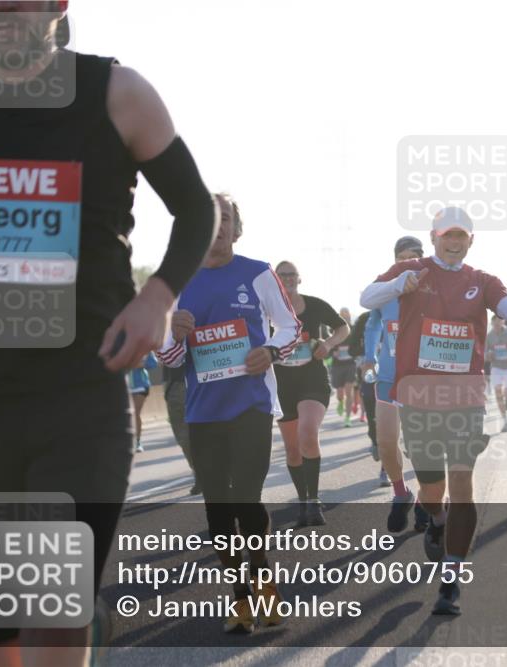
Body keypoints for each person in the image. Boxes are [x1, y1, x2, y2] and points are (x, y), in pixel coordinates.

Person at [0, 3, 215, 663]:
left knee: (54, 601)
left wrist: (158, 296)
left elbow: (194, 206)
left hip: (82, 391)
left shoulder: (116, 93)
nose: (0, 8)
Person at [360, 207, 507, 615]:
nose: (454, 243)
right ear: (434, 236)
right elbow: (366, 297)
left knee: (462, 485)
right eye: (446, 236)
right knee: (433, 491)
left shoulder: (482, 281)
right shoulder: (414, 269)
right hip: (418, 398)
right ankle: (435, 520)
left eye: (461, 237)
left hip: (466, 399)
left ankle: (451, 579)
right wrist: (400, 283)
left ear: (471, 240)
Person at [157, 193, 301, 634]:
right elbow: (168, 356)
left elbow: (291, 327)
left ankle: (262, 577)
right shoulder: (178, 282)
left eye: (226, 219)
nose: (218, 226)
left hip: (252, 407)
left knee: (247, 500)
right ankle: (239, 597)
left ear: (237, 230)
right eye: (209, 219)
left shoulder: (258, 274)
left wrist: (271, 350)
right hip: (203, 413)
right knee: (218, 512)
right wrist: (174, 334)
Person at [273, 261, 350, 526]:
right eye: (281, 275)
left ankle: (314, 501)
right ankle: (303, 499)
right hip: (282, 384)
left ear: (299, 278)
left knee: (308, 432)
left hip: (313, 380)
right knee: (293, 450)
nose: (287, 279)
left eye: (291, 274)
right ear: (275, 280)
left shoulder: (315, 305)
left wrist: (327, 344)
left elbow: (343, 328)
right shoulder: (266, 310)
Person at [363, 235, 431, 531]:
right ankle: (401, 493)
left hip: (422, 380)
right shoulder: (386, 291)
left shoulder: (432, 290)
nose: (407, 263)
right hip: (389, 377)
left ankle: (425, 502)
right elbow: (372, 324)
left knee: (422, 448)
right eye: (401, 258)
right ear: (395, 261)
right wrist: (368, 357)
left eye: (413, 257)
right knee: (387, 443)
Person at [350, 310, 388, 486]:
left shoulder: (401, 312)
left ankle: (385, 468)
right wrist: (370, 352)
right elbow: (352, 349)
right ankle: (374, 438)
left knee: (390, 423)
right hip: (370, 376)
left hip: (394, 376)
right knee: (374, 419)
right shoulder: (364, 319)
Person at [162, 362, 199, 494]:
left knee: (213, 429)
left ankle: (221, 471)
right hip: (176, 383)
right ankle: (200, 474)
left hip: (207, 378)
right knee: (184, 437)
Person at [330, 307, 358, 427]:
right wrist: (333, 352)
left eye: (346, 314)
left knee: (349, 390)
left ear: (349, 316)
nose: (345, 316)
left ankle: (347, 417)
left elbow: (357, 344)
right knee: (340, 393)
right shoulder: (335, 329)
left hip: (350, 364)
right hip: (337, 365)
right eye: (342, 314)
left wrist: (354, 352)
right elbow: (329, 344)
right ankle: (340, 402)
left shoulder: (353, 329)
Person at [127, 351, 158, 451]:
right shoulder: (120, 342)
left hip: (141, 384)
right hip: (125, 385)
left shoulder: (144, 344)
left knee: (135, 412)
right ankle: (129, 440)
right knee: (129, 414)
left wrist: (142, 363)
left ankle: (137, 442)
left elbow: (153, 363)